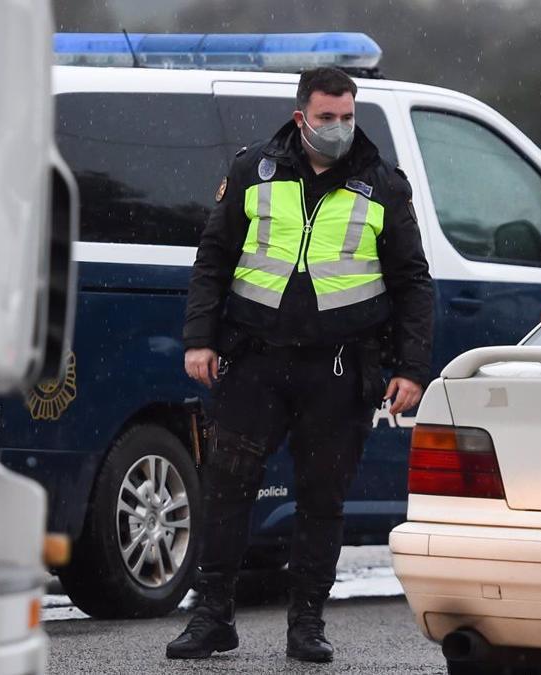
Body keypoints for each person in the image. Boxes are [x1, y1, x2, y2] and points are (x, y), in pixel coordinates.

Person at [167, 66, 434, 663]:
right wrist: (198, 340)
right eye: (326, 118)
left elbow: (413, 282)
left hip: (338, 371)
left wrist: (412, 368)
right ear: (300, 118)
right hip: (254, 361)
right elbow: (213, 258)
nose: (338, 129)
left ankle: (306, 625)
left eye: (347, 117)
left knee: (322, 499)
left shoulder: (382, 185)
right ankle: (211, 618)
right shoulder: (252, 170)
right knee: (229, 488)